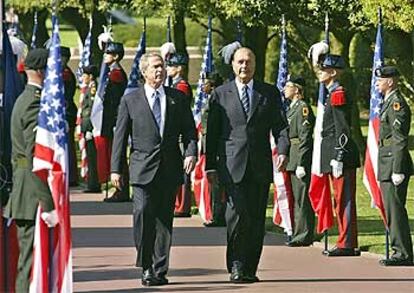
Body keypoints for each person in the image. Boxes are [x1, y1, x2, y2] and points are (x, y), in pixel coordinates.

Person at [110, 53, 197, 286]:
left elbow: (189, 131)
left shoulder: (177, 98)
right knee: (143, 213)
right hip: (142, 168)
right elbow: (120, 136)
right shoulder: (131, 100)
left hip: (169, 168)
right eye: (155, 67)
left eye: (163, 66)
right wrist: (115, 170)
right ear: (144, 71)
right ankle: (146, 263)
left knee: (164, 222)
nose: (160, 70)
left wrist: (191, 153)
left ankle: (158, 270)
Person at [205, 47, 289, 283]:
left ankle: (251, 266)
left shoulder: (269, 93)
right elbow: (211, 135)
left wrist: (282, 150)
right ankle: (236, 264)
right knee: (237, 216)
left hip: (259, 166)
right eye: (240, 62)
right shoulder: (221, 94)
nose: (245, 66)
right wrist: (210, 166)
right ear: (232, 65)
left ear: (255, 64)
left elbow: (280, 127)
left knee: (255, 219)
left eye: (249, 62)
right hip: (232, 167)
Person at [4, 48, 58, 293]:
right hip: (32, 192)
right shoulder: (33, 103)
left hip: (26, 188)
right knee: (30, 262)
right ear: (41, 71)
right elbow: (35, 157)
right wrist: (47, 203)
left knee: (31, 259)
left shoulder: (26, 99)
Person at [313, 53, 360, 256]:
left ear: (332, 72)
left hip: (341, 155)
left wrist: (339, 156)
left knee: (344, 199)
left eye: (323, 70)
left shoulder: (338, 93)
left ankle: (347, 243)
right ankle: (344, 240)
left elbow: (343, 129)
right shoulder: (331, 93)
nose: (319, 73)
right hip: (332, 153)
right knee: (338, 199)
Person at [375, 65, 413, 266]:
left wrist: (398, 169)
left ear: (390, 81)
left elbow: (399, 139)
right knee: (391, 209)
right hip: (387, 161)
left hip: (393, 163)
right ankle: (400, 251)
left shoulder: (396, 103)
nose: (377, 83)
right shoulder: (388, 102)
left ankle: (403, 254)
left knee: (395, 209)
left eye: (380, 80)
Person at [283, 77, 316, 247]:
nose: (285, 89)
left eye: (288, 86)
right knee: (296, 198)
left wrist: (302, 162)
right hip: (292, 156)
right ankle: (298, 232)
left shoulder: (303, 108)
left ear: (297, 90)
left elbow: (304, 136)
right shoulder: (292, 108)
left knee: (302, 198)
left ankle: (304, 234)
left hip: (299, 157)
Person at [166, 53, 194, 217]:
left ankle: (183, 205)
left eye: (171, 66)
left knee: (184, 170)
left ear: (179, 68)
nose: (167, 68)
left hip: (181, 133)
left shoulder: (181, 86)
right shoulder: (175, 85)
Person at [101, 42, 129, 202]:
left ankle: (121, 189)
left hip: (115, 120)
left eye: (108, 53)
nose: (105, 55)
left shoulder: (116, 75)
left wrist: (112, 123)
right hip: (113, 120)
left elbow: (114, 102)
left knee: (117, 156)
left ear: (116, 56)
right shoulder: (113, 73)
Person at [200, 72, 226, 227]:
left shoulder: (218, 99)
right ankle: (215, 213)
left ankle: (218, 215)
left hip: (216, 147)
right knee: (213, 183)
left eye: (206, 83)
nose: (203, 86)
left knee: (217, 184)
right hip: (208, 145)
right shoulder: (213, 98)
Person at [79, 65, 101, 193]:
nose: (83, 78)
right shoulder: (88, 88)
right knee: (90, 157)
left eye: (85, 75)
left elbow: (92, 110)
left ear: (90, 76)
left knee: (92, 158)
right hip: (88, 126)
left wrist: (89, 128)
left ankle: (94, 184)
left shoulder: (93, 88)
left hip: (91, 127)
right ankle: (91, 182)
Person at [61, 46, 79, 187]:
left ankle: (71, 176)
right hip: (65, 111)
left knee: (68, 145)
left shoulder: (65, 74)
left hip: (66, 112)